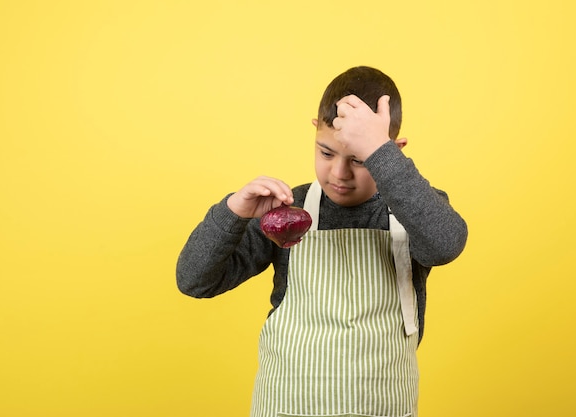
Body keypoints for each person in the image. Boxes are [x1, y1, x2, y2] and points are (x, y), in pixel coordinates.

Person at [176, 66, 468, 417]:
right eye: (326, 153)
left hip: (383, 407)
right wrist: (233, 212)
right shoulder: (287, 212)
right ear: (316, 131)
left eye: (360, 159)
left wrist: (379, 151)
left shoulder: (412, 209)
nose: (339, 174)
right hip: (286, 407)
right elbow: (194, 280)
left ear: (393, 152)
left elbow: (445, 244)